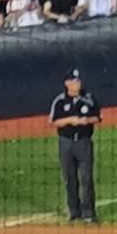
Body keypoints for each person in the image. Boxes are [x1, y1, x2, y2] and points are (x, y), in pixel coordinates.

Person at [49, 68, 101, 222]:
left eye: (78, 81)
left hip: (84, 142)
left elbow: (98, 117)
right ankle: (74, 212)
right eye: (74, 81)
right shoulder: (59, 101)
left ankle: (89, 213)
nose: (77, 84)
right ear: (67, 83)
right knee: (69, 178)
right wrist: (70, 120)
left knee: (86, 178)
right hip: (66, 143)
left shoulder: (89, 98)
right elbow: (52, 121)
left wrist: (86, 121)